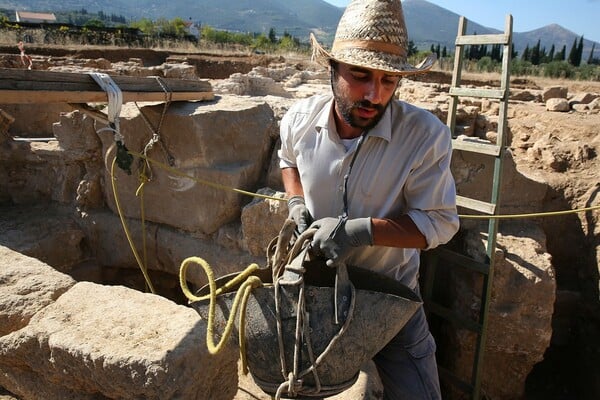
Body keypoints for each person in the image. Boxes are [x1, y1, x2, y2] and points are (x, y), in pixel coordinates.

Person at [278, 0, 459, 398]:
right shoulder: (298, 120)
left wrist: (360, 232)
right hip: (316, 289)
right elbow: (287, 159)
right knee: (300, 385)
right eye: (360, 76)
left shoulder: (424, 136)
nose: (375, 96)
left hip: (390, 299)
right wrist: (296, 204)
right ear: (332, 69)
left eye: (389, 81)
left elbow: (440, 222)